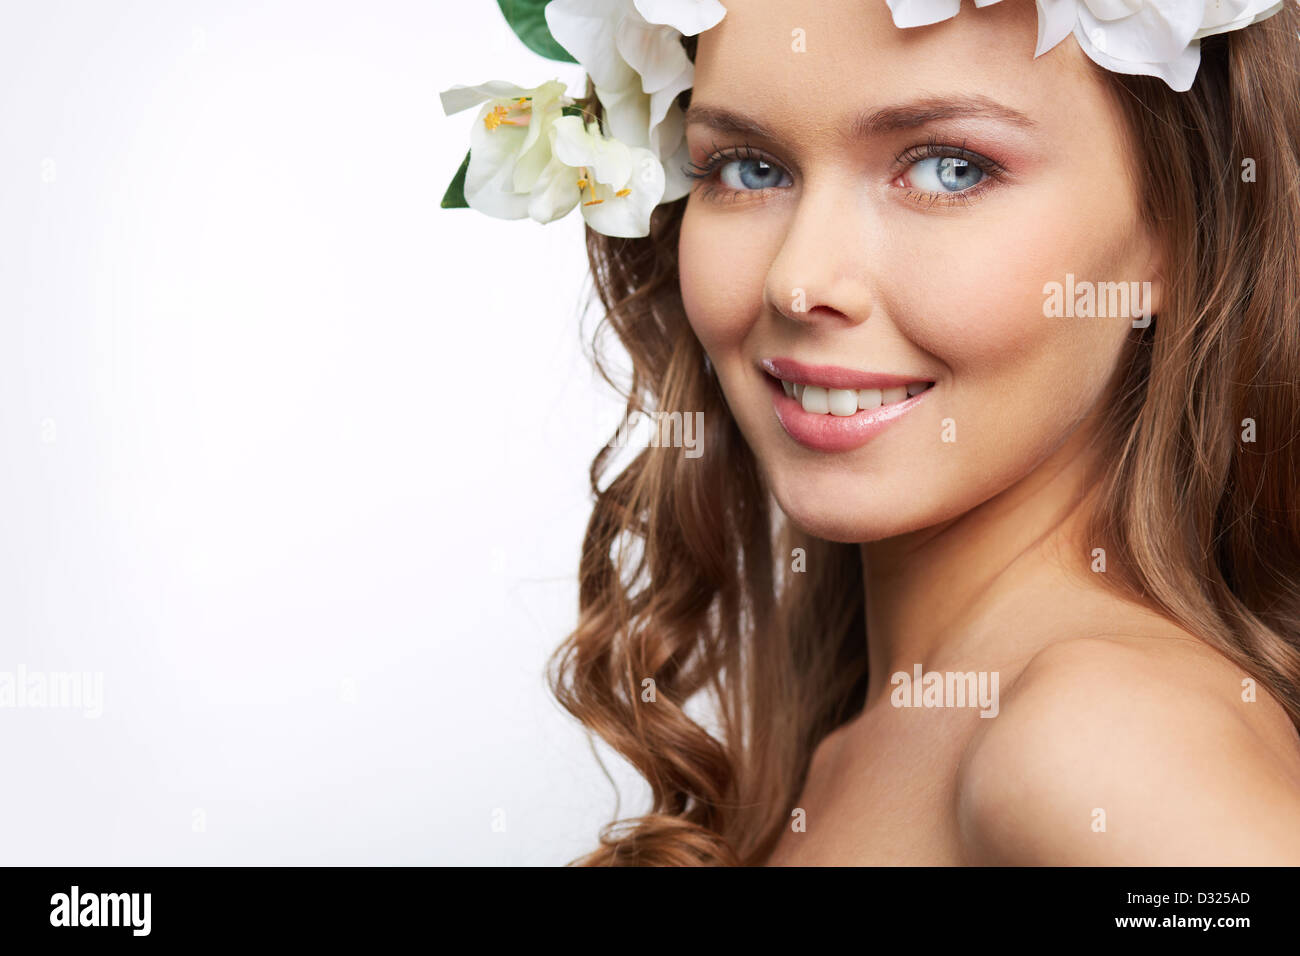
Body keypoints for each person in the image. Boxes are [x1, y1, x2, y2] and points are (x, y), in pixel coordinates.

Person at [442, 0, 1300, 865]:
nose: (798, 281)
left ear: (1174, 230)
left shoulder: (1100, 739)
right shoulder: (873, 735)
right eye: (745, 169)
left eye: (950, 170)